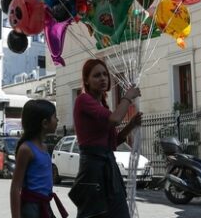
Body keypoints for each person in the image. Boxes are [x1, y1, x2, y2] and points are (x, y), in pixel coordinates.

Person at [69, 59, 143, 218]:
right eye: (96, 75)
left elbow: (113, 142)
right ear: (87, 81)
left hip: (108, 167)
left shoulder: (101, 104)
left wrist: (131, 125)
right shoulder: (83, 100)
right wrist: (127, 97)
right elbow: (114, 119)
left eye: (105, 74)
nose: (103, 78)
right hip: (93, 170)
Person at [10, 99, 68, 218]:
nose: (57, 120)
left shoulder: (44, 147)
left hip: (45, 204)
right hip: (31, 208)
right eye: (55, 117)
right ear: (45, 123)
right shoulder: (26, 149)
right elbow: (15, 187)